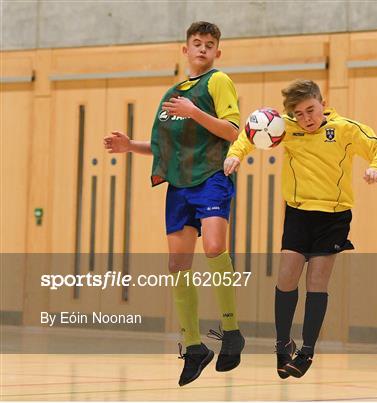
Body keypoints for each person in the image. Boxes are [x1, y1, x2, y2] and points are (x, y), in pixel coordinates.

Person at [224, 79, 377, 378]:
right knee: (286, 278)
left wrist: (376, 168)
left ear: (323, 104)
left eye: (311, 111)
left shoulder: (345, 129)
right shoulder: (285, 127)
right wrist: (235, 155)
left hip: (333, 216)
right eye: (300, 114)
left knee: (316, 283)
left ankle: (307, 352)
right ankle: (281, 346)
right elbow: (249, 135)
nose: (307, 119)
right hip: (298, 213)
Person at [104, 21, 244, 387]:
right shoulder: (172, 94)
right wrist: (130, 145)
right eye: (196, 43)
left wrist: (194, 111)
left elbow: (232, 131)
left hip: (211, 176)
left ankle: (231, 330)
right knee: (177, 264)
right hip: (179, 185)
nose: (202, 49)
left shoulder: (217, 82)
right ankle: (195, 346)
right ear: (185, 49)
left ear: (217, 51)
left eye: (209, 44)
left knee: (214, 248)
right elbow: (167, 146)